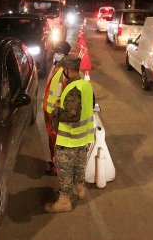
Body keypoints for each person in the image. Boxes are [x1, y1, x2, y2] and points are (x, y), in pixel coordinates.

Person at [44, 55, 95, 213]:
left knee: (65, 168)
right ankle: (79, 190)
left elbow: (72, 115)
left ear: (67, 70)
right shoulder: (85, 85)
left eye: (63, 69)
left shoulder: (73, 89)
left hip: (70, 139)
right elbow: (91, 104)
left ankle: (64, 200)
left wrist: (57, 111)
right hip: (83, 138)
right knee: (79, 166)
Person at [42, 41, 71, 176]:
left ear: (65, 55)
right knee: (51, 139)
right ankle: (53, 162)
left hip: (56, 112)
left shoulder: (66, 71)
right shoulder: (55, 66)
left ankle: (57, 167)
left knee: (57, 141)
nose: (56, 54)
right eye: (56, 51)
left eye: (59, 52)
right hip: (49, 110)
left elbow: (68, 93)